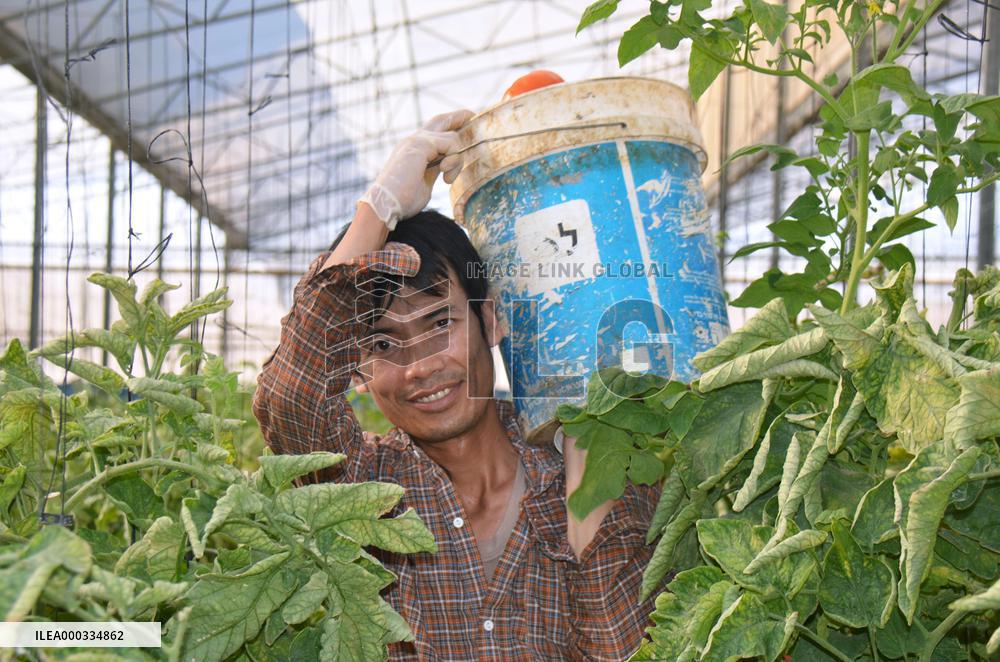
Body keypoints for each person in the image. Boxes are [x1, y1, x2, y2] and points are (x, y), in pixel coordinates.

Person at [253, 109, 664, 661]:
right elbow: (289, 399)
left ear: (490, 321)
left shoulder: (590, 465)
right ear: (356, 366)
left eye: (440, 322)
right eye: (382, 344)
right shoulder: (364, 492)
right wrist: (377, 208)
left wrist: (589, 509)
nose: (419, 366)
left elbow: (631, 651)